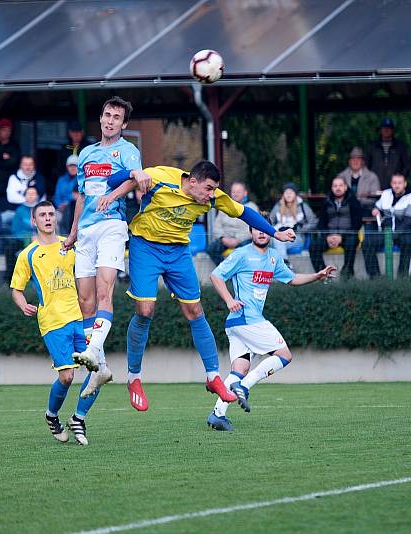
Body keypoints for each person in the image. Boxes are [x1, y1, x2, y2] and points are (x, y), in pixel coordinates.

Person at [109, 162, 296, 411]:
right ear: (193, 181)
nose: (211, 195)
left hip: (177, 252)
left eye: (214, 190)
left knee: (195, 312)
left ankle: (213, 377)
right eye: (208, 189)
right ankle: (134, 378)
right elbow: (112, 181)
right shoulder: (160, 177)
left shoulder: (212, 196)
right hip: (146, 246)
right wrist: (134, 173)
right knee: (145, 311)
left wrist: (275, 233)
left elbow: (243, 213)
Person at [207, 226, 336, 431]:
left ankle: (218, 415)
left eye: (265, 230)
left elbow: (292, 278)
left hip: (238, 324)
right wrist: (229, 299)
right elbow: (216, 276)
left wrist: (317, 275)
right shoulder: (241, 254)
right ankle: (243, 387)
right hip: (246, 318)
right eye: (256, 229)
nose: (261, 233)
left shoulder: (274, 257)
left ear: (270, 233)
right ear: (250, 232)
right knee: (285, 355)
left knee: (239, 369)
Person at [63, 96, 146, 397]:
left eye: (116, 117)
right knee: (84, 301)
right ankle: (102, 367)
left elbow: (136, 181)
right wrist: (72, 233)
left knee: (103, 292)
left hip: (112, 225)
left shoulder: (128, 151)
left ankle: (93, 349)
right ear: (100, 119)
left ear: (124, 125)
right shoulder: (86, 154)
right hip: (85, 231)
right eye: (107, 115)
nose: (110, 120)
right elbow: (81, 197)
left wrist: (112, 197)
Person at [11, 200, 105, 446]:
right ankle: (52, 416)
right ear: (34, 221)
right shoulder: (28, 254)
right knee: (67, 377)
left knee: (98, 371)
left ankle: (79, 418)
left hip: (80, 318)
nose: (47, 218)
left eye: (51, 214)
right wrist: (23, 305)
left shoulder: (70, 245)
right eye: (42, 215)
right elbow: (16, 289)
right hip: (52, 322)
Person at [309, 177, 363, 278]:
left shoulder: (354, 201)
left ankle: (347, 273)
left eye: (340, 185)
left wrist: (341, 236)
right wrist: (327, 237)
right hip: (329, 236)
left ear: (346, 187)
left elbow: (357, 224)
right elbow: (321, 224)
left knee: (352, 242)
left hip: (348, 235)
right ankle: (323, 275)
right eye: (335, 186)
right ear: (332, 188)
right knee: (314, 245)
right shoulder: (326, 202)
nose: (338, 188)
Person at [362, 173, 411, 278]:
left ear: (405, 184)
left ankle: (403, 277)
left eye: (399, 183)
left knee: (408, 243)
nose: (397, 185)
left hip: (403, 232)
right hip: (385, 231)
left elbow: (408, 221)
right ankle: (375, 277)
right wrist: (375, 209)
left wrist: (393, 235)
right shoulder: (386, 194)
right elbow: (378, 206)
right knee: (367, 243)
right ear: (391, 184)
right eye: (394, 183)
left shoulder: (410, 197)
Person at [206, 181, 258, 265]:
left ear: (245, 193)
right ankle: (225, 270)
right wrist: (223, 238)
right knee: (211, 249)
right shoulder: (225, 205)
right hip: (225, 238)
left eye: (238, 192)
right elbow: (217, 225)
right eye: (233, 192)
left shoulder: (252, 207)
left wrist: (237, 240)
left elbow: (254, 228)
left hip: (243, 240)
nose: (235, 194)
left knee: (243, 250)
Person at [268, 182, 317, 265]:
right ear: (283, 194)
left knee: (278, 241)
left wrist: (299, 228)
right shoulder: (278, 206)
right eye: (286, 192)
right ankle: (285, 263)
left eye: (291, 192)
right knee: (277, 240)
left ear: (295, 194)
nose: (288, 195)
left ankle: (283, 264)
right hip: (280, 236)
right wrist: (276, 229)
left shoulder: (303, 206)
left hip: (296, 237)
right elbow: (269, 221)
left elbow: (313, 222)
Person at [365, 118, 410, 190]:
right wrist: (370, 181)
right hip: (375, 185)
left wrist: (399, 181)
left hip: (395, 187)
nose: (386, 130)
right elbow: (366, 166)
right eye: (384, 128)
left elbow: (406, 166)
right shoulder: (373, 147)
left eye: (389, 128)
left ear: (392, 130)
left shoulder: (400, 147)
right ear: (380, 130)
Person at [0, 118, 20, 211]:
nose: (7, 133)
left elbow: (12, 162)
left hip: (6, 191)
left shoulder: (14, 145)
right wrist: (2, 156)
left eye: (9, 130)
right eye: (4, 130)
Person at [54, 155, 79, 235]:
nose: (72, 168)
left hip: (76, 210)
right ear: (67, 167)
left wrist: (68, 200)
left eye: (75, 166)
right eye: (70, 166)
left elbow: (79, 196)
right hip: (61, 209)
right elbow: (57, 196)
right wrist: (60, 205)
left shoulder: (82, 179)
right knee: (53, 219)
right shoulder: (61, 180)